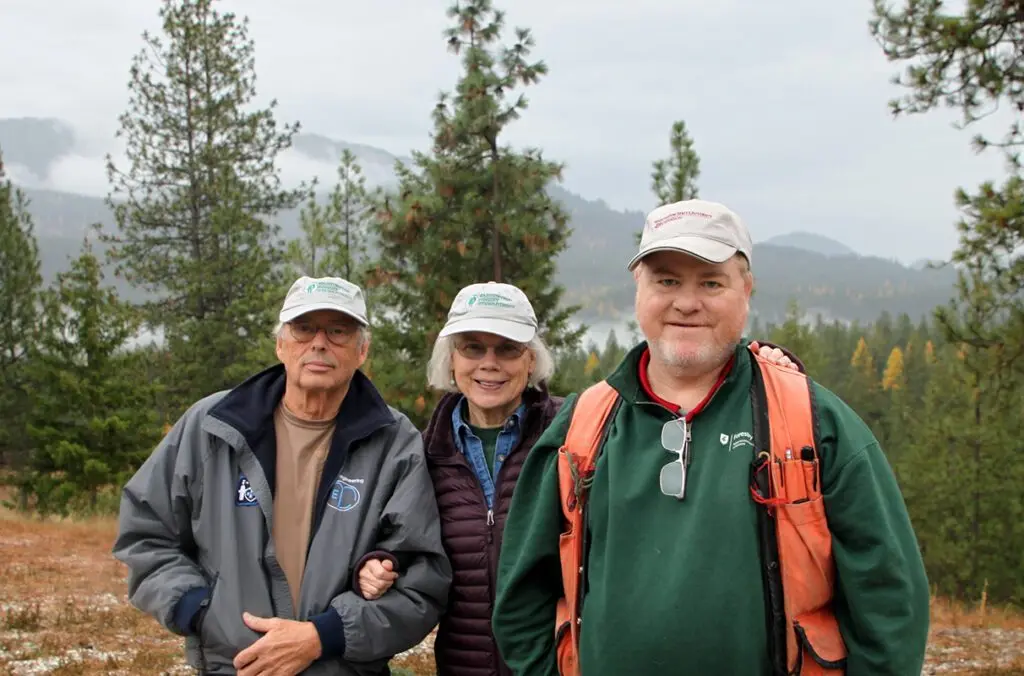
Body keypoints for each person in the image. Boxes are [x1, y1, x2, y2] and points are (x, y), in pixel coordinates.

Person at [490, 199, 931, 675]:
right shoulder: (582, 425)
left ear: (747, 289)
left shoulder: (813, 422)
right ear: (638, 287)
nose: (686, 301)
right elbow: (521, 595)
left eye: (711, 282)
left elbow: (889, 600)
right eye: (667, 280)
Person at [353, 281, 803, 676]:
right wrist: (378, 560)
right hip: (464, 664)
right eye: (473, 347)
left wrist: (755, 368)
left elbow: (677, 422)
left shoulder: (581, 431)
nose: (489, 363)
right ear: (451, 360)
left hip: (561, 663)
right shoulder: (424, 453)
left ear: (531, 360)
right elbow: (402, 539)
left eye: (507, 348)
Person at [112, 276, 452, 676]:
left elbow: (420, 580)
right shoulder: (211, 427)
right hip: (235, 666)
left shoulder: (395, 443)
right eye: (304, 328)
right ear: (281, 343)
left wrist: (322, 636)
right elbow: (145, 530)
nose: (319, 343)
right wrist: (199, 609)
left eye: (338, 331)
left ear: (362, 350)